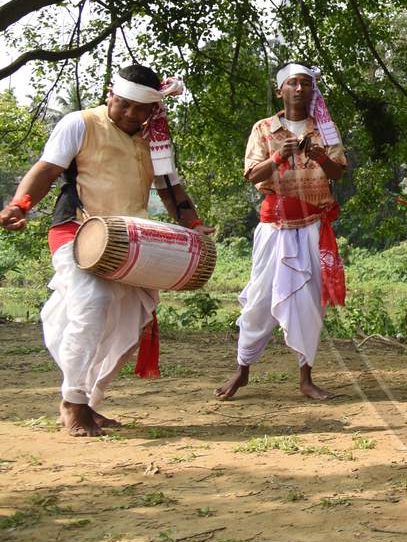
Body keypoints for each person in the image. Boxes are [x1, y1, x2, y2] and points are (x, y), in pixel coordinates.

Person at [0, 65, 207, 437]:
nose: (129, 113)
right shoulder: (79, 123)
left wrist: (194, 226)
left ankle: (90, 402)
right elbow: (47, 170)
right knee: (92, 302)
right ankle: (73, 401)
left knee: (128, 323)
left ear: (151, 111)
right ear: (110, 95)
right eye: (123, 104)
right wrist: (21, 204)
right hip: (76, 230)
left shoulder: (154, 141)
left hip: (132, 242)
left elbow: (170, 191)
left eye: (139, 109)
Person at [216, 64, 347, 402]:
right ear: (280, 91)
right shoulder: (263, 128)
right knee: (260, 299)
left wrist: (319, 157)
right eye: (293, 83)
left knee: (308, 302)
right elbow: (251, 174)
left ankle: (306, 378)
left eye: (306, 83)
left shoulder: (325, 129)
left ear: (313, 90)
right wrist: (278, 157)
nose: (300, 89)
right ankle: (242, 370)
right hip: (274, 226)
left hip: (312, 226)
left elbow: (338, 171)